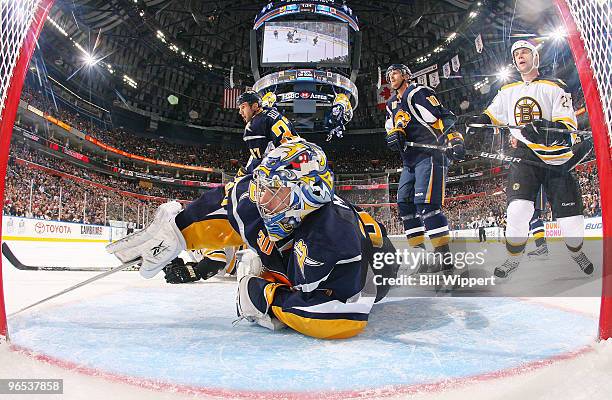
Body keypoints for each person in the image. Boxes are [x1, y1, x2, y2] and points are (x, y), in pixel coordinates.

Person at [107, 140, 399, 339]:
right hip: (306, 256)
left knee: (258, 266)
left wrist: (266, 297)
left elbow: (341, 318)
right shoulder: (258, 200)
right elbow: (227, 199)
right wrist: (176, 231)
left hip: (370, 273)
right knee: (258, 259)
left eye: (275, 191)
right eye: (263, 187)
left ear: (308, 194)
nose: (261, 199)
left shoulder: (331, 238)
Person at [467, 40, 594, 278]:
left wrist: (547, 131)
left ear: (535, 57)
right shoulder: (507, 91)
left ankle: (576, 251)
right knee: (517, 210)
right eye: (515, 54)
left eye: (524, 51)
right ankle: (513, 258)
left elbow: (567, 131)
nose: (519, 56)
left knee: (572, 226)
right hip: (525, 154)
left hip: (559, 160)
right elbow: (492, 114)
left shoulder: (555, 86)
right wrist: (479, 122)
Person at [384, 63, 465, 271]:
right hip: (409, 160)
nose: (391, 77)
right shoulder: (391, 103)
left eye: (395, 73)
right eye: (389, 74)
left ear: (406, 75)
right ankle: (420, 256)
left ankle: (445, 261)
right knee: (404, 204)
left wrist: (454, 139)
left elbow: (443, 117)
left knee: (427, 206)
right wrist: (393, 137)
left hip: (429, 155)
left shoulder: (418, 92)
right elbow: (391, 130)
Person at [237, 91, 299, 173]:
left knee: (258, 177)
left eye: (243, 107)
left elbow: (257, 160)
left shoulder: (252, 126)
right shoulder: (270, 111)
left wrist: (244, 174)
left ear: (255, 106)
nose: (240, 112)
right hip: (300, 156)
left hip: (288, 165)